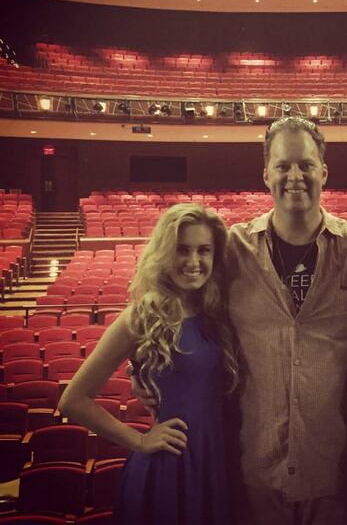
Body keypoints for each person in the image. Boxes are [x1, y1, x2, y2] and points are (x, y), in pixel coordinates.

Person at [133, 117, 347, 524]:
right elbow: (174, 301)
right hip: (253, 472)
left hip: (334, 469)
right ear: (266, 174)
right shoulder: (231, 249)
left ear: (324, 171)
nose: (295, 176)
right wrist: (143, 367)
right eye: (283, 166)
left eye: (305, 164)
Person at [58, 203, 238, 524]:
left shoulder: (221, 313)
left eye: (204, 250)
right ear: (165, 253)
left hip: (218, 462)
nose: (194, 262)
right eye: (182, 250)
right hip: (171, 465)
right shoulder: (142, 316)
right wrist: (139, 439)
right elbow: (74, 400)